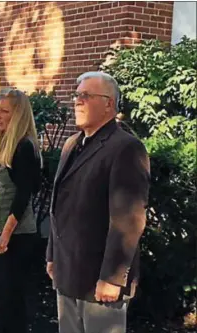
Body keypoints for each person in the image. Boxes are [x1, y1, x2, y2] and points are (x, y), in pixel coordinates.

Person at [46, 72, 150, 333]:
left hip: (100, 278)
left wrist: (113, 278)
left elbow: (128, 218)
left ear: (109, 104)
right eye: (77, 95)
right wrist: (52, 254)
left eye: (86, 96)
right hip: (67, 270)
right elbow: (59, 203)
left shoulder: (125, 147)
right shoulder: (72, 144)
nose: (78, 101)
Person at [0, 88, 41, 333]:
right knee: (4, 299)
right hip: (4, 231)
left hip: (16, 236)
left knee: (12, 302)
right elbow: (13, 184)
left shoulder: (24, 147)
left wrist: (6, 235)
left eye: (4, 111)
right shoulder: (8, 143)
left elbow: (24, 195)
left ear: (18, 115)